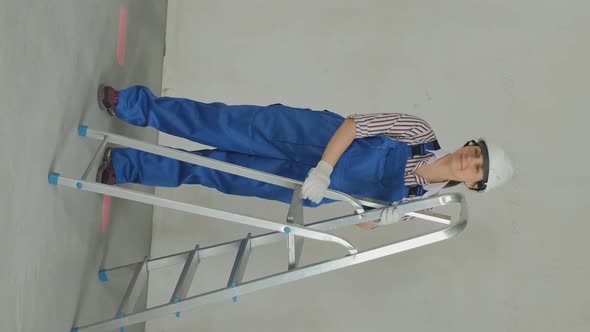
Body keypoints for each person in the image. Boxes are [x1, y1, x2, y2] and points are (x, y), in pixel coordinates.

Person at [96, 85, 514, 229]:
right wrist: (325, 166)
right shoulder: (419, 132)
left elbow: (361, 217)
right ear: (468, 145)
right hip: (307, 137)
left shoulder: (421, 202)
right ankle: (131, 105)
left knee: (215, 172)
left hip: (306, 186)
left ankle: (125, 165)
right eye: (475, 152)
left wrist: (380, 220)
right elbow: (355, 125)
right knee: (214, 123)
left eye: (477, 168)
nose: (469, 160)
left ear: (474, 185)